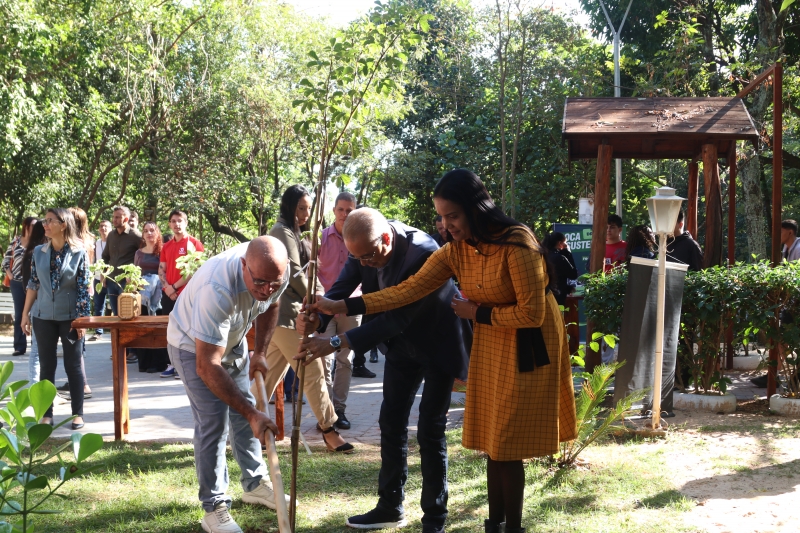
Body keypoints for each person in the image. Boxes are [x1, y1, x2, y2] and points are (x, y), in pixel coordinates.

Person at [307, 169, 577, 533]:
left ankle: (471, 522)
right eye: (442, 217)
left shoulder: (515, 243)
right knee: (492, 441)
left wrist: (476, 312)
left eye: (453, 216)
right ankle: (488, 522)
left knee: (495, 440)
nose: (446, 225)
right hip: (486, 336)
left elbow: (532, 313)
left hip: (514, 343)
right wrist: (339, 307)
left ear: (475, 208)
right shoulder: (456, 250)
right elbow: (407, 290)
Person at [296, 207, 471, 532]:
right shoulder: (362, 247)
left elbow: (398, 315)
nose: (364, 263)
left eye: (369, 257)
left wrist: (336, 343)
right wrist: (317, 317)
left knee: (430, 430)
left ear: (386, 238)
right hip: (400, 346)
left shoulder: (422, 252)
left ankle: (435, 518)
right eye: (357, 258)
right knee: (390, 422)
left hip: (438, 342)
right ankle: (390, 506)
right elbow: (341, 288)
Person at [166, 236, 291, 533]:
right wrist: (252, 412)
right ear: (244, 265)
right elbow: (207, 364)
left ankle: (255, 483)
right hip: (191, 347)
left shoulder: (274, 276)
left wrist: (260, 352)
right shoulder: (217, 288)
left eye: (273, 283)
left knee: (243, 411)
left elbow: (273, 304)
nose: (265, 290)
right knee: (215, 421)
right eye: (259, 282)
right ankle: (214, 507)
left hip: (233, 342)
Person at [264, 184, 353, 453]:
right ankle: (329, 430)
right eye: (301, 208)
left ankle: (241, 427)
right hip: (287, 315)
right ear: (289, 206)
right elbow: (292, 272)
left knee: (265, 378)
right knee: (313, 370)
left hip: (284, 315)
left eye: (308, 208)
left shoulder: (294, 232)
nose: (305, 213)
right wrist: (318, 297)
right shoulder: (281, 231)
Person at [20, 208, 90, 430]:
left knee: (73, 365)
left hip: (69, 320)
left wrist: (82, 321)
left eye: (50, 221)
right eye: (45, 220)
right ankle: (46, 415)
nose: (45, 225)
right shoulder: (39, 251)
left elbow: (83, 289)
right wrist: (25, 314)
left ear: (63, 224)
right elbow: (33, 284)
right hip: (42, 318)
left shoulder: (79, 253)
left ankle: (77, 414)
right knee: (46, 366)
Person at [316, 192, 365, 429]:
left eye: (350, 210)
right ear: (334, 211)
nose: (345, 214)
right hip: (325, 307)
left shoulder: (360, 236)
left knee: (345, 360)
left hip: (351, 306)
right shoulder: (320, 237)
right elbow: (310, 272)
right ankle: (325, 413)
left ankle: (340, 410)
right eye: (341, 209)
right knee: (324, 360)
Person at [158, 209, 205, 378]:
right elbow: (161, 269)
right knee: (170, 329)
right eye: (173, 221)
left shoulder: (194, 244)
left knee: (188, 329)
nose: (176, 224)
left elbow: (195, 270)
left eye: (180, 220)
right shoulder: (167, 246)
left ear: (186, 222)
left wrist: (175, 288)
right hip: (168, 293)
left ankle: (186, 366)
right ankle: (171, 364)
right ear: (169, 224)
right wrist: (167, 288)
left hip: (187, 294)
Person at [135, 222, 168, 373]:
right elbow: (135, 272)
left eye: (152, 230)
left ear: (157, 233)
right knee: (143, 328)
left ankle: (159, 362)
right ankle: (145, 362)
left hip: (158, 295)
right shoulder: (139, 253)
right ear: (142, 234)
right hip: (142, 295)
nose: (149, 233)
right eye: (146, 231)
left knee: (157, 328)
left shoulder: (163, 251)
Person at [3, 217, 38, 355]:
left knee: (35, 314)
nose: (34, 228)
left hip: (34, 283)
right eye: (32, 225)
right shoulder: (16, 241)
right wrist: (11, 276)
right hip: (17, 282)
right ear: (25, 226)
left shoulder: (39, 242)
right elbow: (6, 261)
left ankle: (36, 345)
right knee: (19, 313)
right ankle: (19, 346)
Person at [102, 206, 143, 320]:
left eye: (117, 217)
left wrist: (136, 277)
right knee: (116, 316)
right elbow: (105, 256)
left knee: (127, 315)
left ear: (126, 219)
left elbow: (144, 257)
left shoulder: (136, 236)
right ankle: (116, 338)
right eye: (113, 217)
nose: (114, 220)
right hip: (111, 281)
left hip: (126, 282)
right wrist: (103, 274)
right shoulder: (111, 235)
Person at [20, 220, 46, 384]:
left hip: (41, 304)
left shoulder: (33, 252)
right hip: (38, 304)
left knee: (41, 350)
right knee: (37, 349)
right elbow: (29, 285)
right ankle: (34, 386)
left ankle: (40, 386)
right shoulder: (35, 254)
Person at [89, 220, 112, 341]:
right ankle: (98, 331)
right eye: (101, 226)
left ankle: (116, 330)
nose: (103, 228)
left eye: (106, 226)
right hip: (98, 278)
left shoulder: (114, 243)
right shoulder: (97, 243)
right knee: (98, 306)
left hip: (111, 279)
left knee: (114, 306)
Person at [542, 232, 578, 307]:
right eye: (565, 242)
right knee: (560, 316)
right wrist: (568, 253)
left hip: (544, 296)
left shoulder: (543, 256)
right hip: (558, 297)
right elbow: (573, 274)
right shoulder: (560, 258)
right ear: (560, 243)